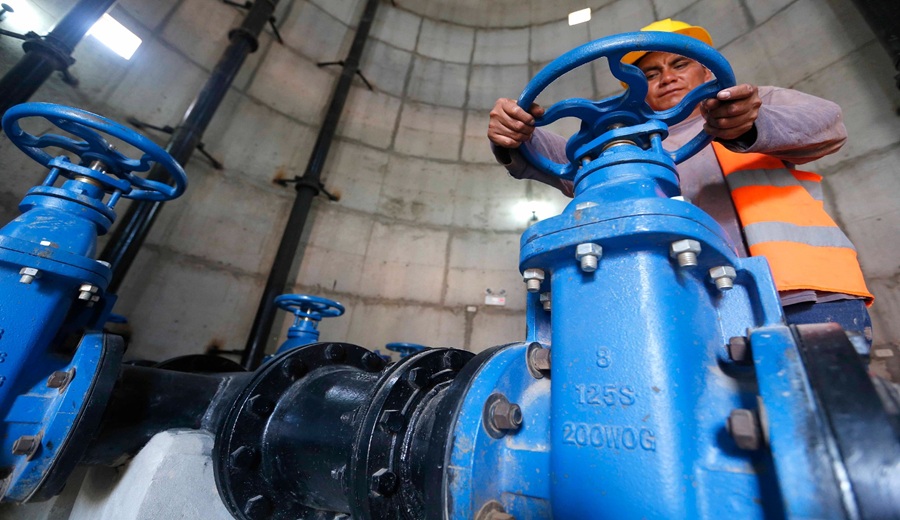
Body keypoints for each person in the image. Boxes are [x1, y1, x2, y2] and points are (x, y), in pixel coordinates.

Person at [487, 19, 874, 348]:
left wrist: (749, 126)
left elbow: (826, 123)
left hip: (800, 295)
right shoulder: (628, 142)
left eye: (679, 63)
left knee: (829, 408)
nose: (667, 77)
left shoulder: (753, 105)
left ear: (706, 71)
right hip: (689, 303)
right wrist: (518, 134)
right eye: (650, 74)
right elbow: (571, 159)